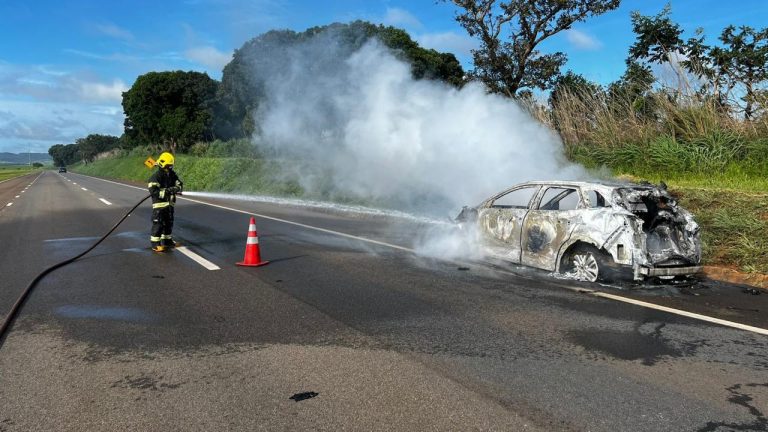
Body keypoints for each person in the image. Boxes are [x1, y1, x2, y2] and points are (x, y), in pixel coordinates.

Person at [148, 152, 183, 252]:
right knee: (158, 224)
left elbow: (179, 183)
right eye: (168, 166)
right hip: (159, 206)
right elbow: (154, 192)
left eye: (171, 166)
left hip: (169, 204)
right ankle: (155, 244)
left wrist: (177, 188)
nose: (170, 168)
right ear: (162, 164)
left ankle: (167, 241)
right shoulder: (155, 177)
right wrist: (167, 191)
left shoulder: (172, 174)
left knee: (169, 223)